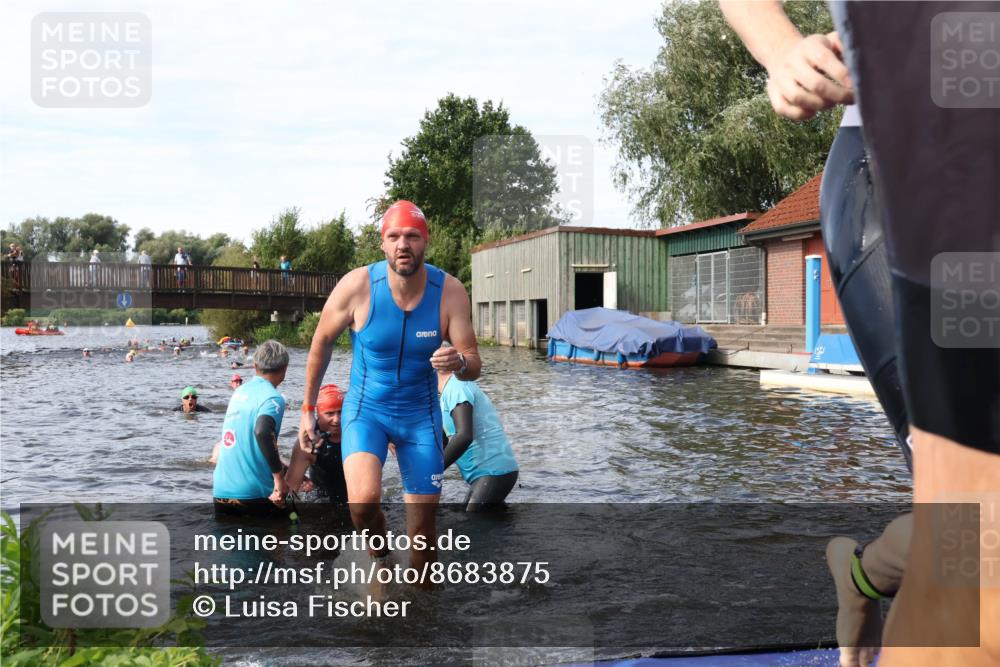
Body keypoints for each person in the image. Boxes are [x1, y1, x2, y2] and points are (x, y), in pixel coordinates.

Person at [299, 199, 481, 571]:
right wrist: (306, 410)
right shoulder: (358, 286)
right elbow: (321, 342)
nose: (403, 244)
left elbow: (474, 364)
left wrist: (459, 361)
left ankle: (423, 617)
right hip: (368, 411)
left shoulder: (449, 291)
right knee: (362, 505)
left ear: (425, 242)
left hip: (420, 418)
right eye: (394, 236)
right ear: (383, 243)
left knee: (425, 535)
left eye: (412, 236)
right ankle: (382, 557)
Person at [213, 340, 291, 515]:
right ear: (285, 368)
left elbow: (249, 447)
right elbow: (262, 432)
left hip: (221, 492)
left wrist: (286, 471)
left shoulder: (238, 392)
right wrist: (279, 478)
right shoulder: (273, 398)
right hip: (253, 495)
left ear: (255, 365)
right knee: (286, 534)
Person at [438, 367, 518, 511]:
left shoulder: (457, 387)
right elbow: (442, 442)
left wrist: (434, 470)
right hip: (486, 474)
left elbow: (464, 436)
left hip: (493, 472)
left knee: (474, 524)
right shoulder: (449, 392)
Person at [287, 384, 347, 501]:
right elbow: (290, 489)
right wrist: (292, 516)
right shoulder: (307, 443)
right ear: (318, 414)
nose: (337, 420)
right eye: (329, 413)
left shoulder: (355, 432)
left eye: (340, 412)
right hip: (323, 501)